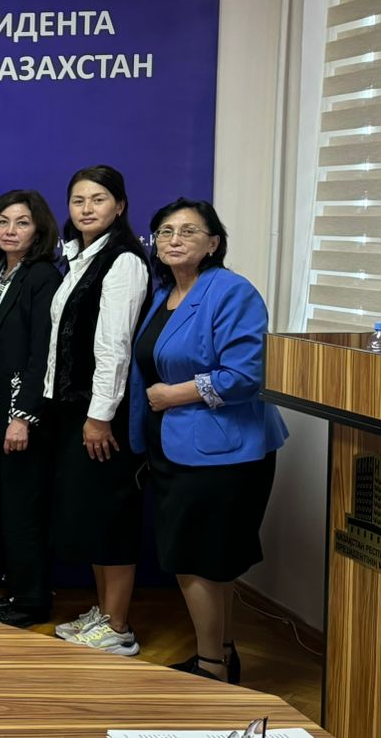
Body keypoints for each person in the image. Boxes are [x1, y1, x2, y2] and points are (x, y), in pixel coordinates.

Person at [132, 199, 285, 684]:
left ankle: (210, 668)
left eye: (188, 231)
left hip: (224, 452)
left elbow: (245, 375)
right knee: (207, 560)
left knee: (196, 561)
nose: (174, 239)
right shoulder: (165, 293)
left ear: (213, 243)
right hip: (175, 445)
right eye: (165, 231)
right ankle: (222, 655)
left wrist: (172, 395)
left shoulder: (232, 291)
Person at [44, 165, 150, 656]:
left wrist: (99, 415)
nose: (87, 208)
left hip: (102, 413)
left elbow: (114, 346)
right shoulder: (82, 258)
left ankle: (119, 627)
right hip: (75, 410)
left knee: (111, 515)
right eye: (78, 200)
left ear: (120, 206)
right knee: (91, 514)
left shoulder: (123, 261)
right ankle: (104, 613)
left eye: (99, 199)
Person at [0, 190, 64, 628]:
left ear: (39, 229)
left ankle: (33, 600)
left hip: (21, 415)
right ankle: (18, 588)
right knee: (5, 506)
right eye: (3, 221)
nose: (11, 231)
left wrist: (22, 416)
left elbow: (41, 353)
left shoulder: (42, 276)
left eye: (22, 222)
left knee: (24, 509)